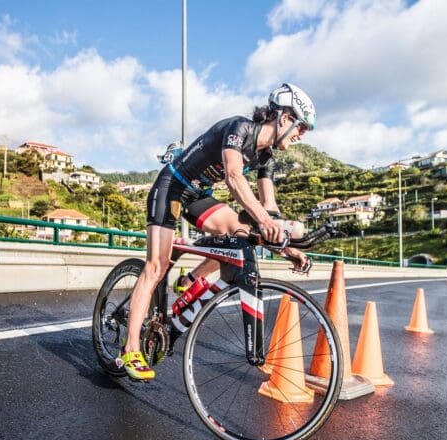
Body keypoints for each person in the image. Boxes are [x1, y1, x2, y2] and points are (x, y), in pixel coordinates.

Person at [121, 83, 316, 381]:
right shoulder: (240, 128)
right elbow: (234, 177)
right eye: (301, 128)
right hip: (172, 187)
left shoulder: (266, 159)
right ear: (284, 119)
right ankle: (131, 348)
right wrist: (263, 220)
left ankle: (191, 279)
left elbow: (270, 210)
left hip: (198, 196)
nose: (301, 136)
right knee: (156, 267)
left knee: (240, 233)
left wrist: (289, 249)